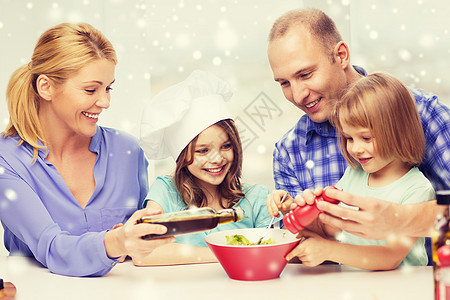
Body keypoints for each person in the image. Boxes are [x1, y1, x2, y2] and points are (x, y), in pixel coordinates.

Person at [0, 23, 174, 277]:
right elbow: (51, 247)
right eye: (91, 89)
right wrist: (117, 241)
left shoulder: (127, 152)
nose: (105, 102)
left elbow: (143, 242)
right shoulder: (8, 160)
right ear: (46, 87)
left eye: (108, 88)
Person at [266, 8, 449, 241]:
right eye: (284, 83)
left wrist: (399, 218)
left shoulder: (423, 113)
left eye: (306, 74)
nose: (298, 95)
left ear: (341, 55)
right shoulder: (289, 152)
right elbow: (299, 249)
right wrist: (294, 216)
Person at [281, 73, 435, 270]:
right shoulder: (354, 175)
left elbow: (390, 258)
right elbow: (331, 230)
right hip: (355, 287)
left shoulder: (416, 188)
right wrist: (306, 214)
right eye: (349, 138)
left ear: (398, 132)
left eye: (366, 138)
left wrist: (328, 250)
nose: (355, 149)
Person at [135, 70, 274, 266]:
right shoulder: (165, 191)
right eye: (202, 151)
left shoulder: (257, 198)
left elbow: (270, 254)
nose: (217, 159)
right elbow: (143, 252)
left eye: (226, 146)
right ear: (182, 156)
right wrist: (226, 255)